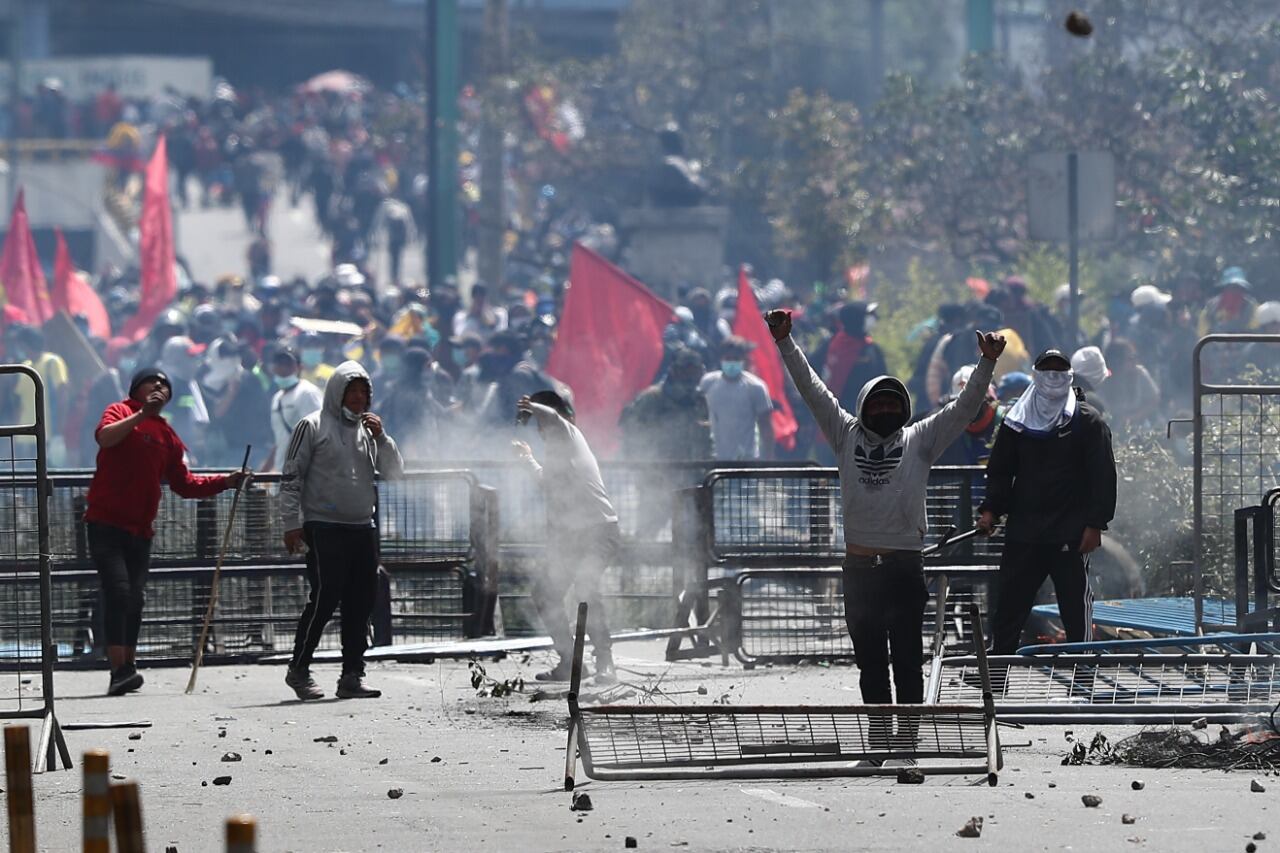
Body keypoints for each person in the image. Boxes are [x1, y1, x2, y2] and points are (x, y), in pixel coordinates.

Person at [767, 309, 1004, 738]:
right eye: (877, 404)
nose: (885, 410)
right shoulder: (843, 434)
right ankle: (879, 735)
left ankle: (908, 738)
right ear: (862, 408)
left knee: (908, 658)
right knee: (871, 660)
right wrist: (785, 341)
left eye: (893, 404)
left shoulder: (921, 439)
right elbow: (812, 389)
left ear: (905, 409)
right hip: (859, 570)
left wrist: (987, 363)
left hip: (903, 567)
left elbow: (966, 407)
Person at [85, 367, 248, 695]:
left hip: (140, 530)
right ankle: (117, 668)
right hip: (105, 522)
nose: (159, 387)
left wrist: (225, 483)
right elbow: (105, 437)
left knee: (135, 598)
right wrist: (141, 414)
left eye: (165, 385)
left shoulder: (168, 436)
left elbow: (184, 483)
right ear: (137, 389)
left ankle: (128, 666)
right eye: (152, 382)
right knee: (117, 592)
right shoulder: (120, 411)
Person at [978, 349, 1117, 654]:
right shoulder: (1017, 421)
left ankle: (1083, 678)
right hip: (1024, 531)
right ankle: (998, 675)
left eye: (1059, 370)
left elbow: (1103, 477)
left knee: (1075, 609)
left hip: (1070, 532)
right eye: (1046, 370)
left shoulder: (1087, 422)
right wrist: (991, 509)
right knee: (1010, 606)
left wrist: (1095, 524)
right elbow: (1001, 470)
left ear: (1069, 377)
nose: (1053, 377)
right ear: (1036, 376)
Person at [281, 361, 405, 701]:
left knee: (360, 601)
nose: (359, 398)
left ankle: (352, 673)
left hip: (362, 526)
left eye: (364, 392)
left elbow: (394, 473)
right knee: (325, 597)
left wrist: (383, 437)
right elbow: (292, 477)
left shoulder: (369, 431)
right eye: (352, 391)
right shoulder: (312, 426)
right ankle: (300, 668)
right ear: (337, 392)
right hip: (323, 526)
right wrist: (291, 523)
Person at [512, 390, 620, 684]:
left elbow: (553, 416)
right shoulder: (554, 458)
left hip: (600, 531)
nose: (543, 432)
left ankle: (605, 662)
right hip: (571, 538)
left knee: (586, 584)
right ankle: (570, 661)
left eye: (543, 424)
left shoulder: (571, 436)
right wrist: (528, 459)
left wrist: (532, 406)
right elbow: (545, 482)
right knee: (545, 592)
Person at [698, 336, 775, 460]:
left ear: (743, 360)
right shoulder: (708, 383)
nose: (732, 363)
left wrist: (769, 458)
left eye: (736, 359)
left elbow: (766, 425)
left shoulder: (756, 387)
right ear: (721, 359)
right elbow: (700, 416)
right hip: (714, 458)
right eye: (728, 358)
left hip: (745, 459)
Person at [262, 346, 323, 472]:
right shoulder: (277, 398)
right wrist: (263, 471)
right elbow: (280, 440)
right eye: (279, 363)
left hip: (305, 472)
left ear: (299, 367)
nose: (283, 368)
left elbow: (320, 434)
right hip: (282, 472)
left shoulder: (307, 393)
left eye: (287, 364)